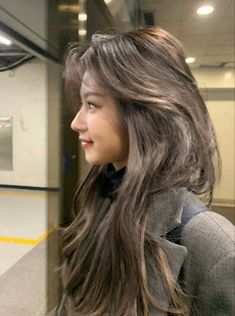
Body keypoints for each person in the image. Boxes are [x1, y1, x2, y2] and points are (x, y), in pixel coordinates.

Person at [49, 27, 235, 316]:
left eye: (91, 104)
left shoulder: (213, 243)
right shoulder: (101, 200)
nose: (76, 122)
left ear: (144, 110)